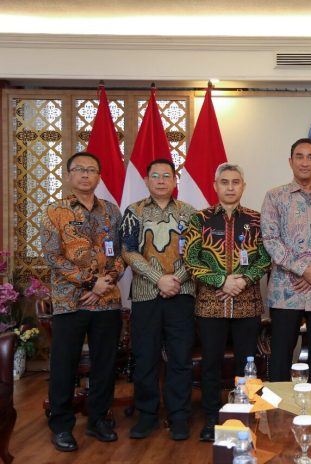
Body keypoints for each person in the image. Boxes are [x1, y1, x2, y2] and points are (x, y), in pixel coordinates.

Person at [40, 152, 124, 452]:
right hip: (70, 302)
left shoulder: (112, 211)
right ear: (69, 175)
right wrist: (90, 283)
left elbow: (121, 254)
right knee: (64, 365)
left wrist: (105, 283)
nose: (85, 174)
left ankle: (98, 418)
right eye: (79, 169)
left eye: (91, 170)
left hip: (107, 301)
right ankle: (61, 425)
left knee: (105, 364)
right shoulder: (55, 211)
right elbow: (52, 256)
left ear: (99, 176)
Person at [184, 163, 271, 442]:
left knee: (247, 364)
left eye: (235, 182)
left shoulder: (256, 219)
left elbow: (266, 257)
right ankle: (212, 418)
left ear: (243, 186)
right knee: (211, 363)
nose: (230, 187)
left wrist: (243, 280)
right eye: (224, 182)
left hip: (247, 304)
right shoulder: (200, 219)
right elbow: (191, 259)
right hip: (211, 304)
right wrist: (222, 280)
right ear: (215, 185)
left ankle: (243, 414)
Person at [119, 159, 197, 441]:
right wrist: (158, 278)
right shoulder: (134, 211)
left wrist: (175, 279)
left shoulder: (189, 213)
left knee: (180, 358)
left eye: (167, 175)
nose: (161, 180)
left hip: (181, 294)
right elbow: (128, 251)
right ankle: (147, 415)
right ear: (146, 180)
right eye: (155, 176)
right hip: (145, 295)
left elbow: (196, 252)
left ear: (175, 180)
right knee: (145, 357)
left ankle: (179, 416)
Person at [261, 138, 311, 383]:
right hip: (286, 290)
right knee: (281, 355)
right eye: (299, 156)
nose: (304, 162)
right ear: (290, 161)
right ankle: (280, 405)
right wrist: (303, 269)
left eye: (310, 157)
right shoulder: (274, 196)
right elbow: (271, 239)